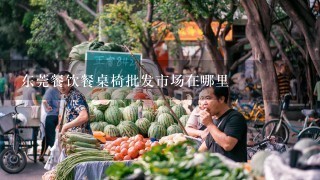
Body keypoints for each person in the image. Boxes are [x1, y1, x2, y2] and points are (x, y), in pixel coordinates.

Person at [198, 84, 247, 162]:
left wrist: (209, 124)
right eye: (202, 99)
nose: (204, 103)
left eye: (208, 98)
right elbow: (206, 145)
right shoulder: (215, 119)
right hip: (216, 170)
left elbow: (227, 145)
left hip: (232, 171)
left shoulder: (235, 118)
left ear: (221, 99)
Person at [39, 74, 60, 162]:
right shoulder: (57, 90)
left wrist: (47, 107)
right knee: (47, 137)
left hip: (50, 117)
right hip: (57, 116)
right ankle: (41, 156)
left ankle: (54, 157)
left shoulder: (49, 90)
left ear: (48, 82)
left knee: (50, 137)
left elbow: (44, 101)